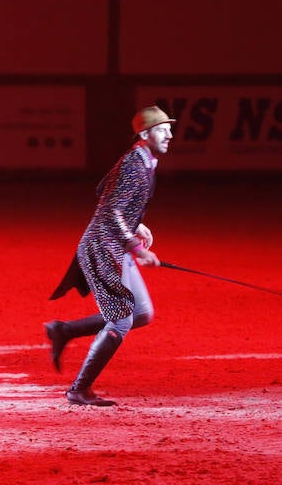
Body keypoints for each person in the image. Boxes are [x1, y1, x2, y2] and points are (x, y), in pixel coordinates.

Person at [45, 105, 175, 406]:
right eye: (162, 129)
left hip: (113, 245)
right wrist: (137, 247)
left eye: (169, 128)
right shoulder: (134, 163)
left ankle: (63, 330)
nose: (169, 134)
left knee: (141, 313)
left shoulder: (142, 162)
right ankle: (79, 389)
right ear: (144, 134)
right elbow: (111, 210)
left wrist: (135, 223)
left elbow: (104, 190)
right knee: (121, 320)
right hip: (103, 248)